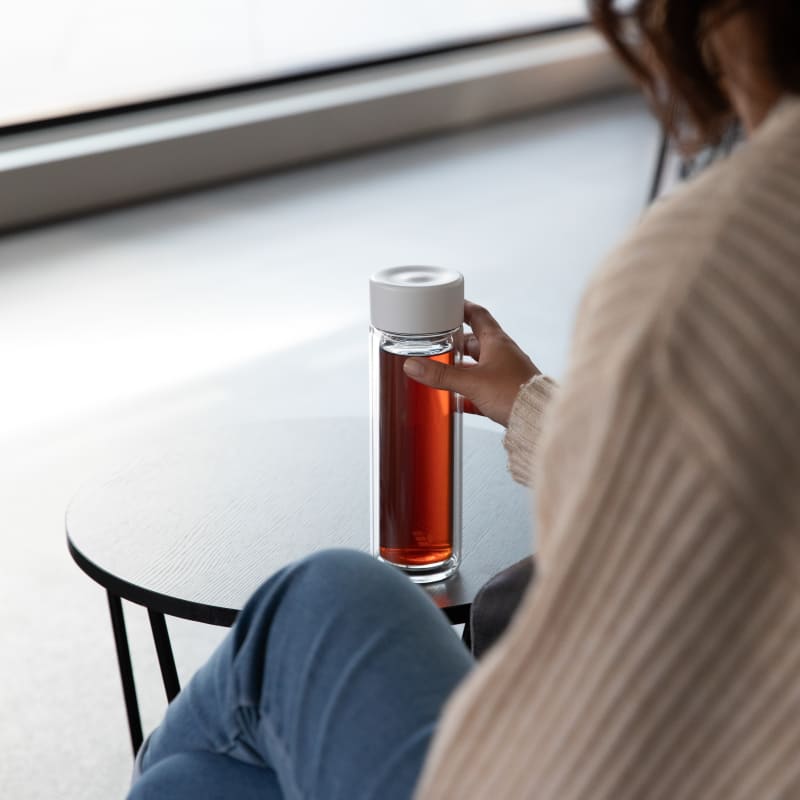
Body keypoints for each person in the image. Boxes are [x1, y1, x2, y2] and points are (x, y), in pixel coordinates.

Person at [129, 1, 800, 798]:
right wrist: (533, 407)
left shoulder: (716, 260)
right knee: (198, 771)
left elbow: (603, 745)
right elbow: (719, 490)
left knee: (307, 611)